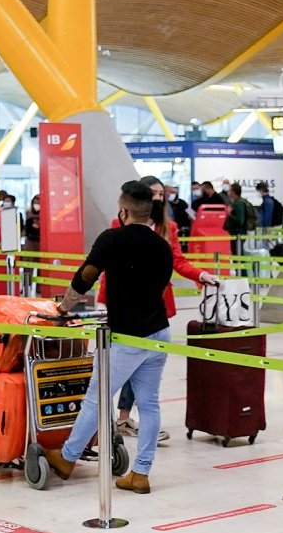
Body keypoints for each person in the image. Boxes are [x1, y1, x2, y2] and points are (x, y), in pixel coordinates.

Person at [38, 181, 175, 494]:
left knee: (96, 398)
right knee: (150, 404)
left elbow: (85, 276)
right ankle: (140, 473)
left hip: (126, 337)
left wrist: (63, 306)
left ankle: (67, 458)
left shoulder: (112, 239)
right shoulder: (162, 247)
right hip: (158, 332)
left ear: (123, 210)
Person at [111, 175, 207, 443]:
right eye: (152, 193)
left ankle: (127, 419)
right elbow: (110, 266)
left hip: (156, 308)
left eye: (161, 194)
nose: (157, 198)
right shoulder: (119, 224)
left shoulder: (169, 227)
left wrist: (200, 275)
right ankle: (118, 419)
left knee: (146, 369)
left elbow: (179, 260)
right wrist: (104, 299)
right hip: (125, 307)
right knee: (122, 365)